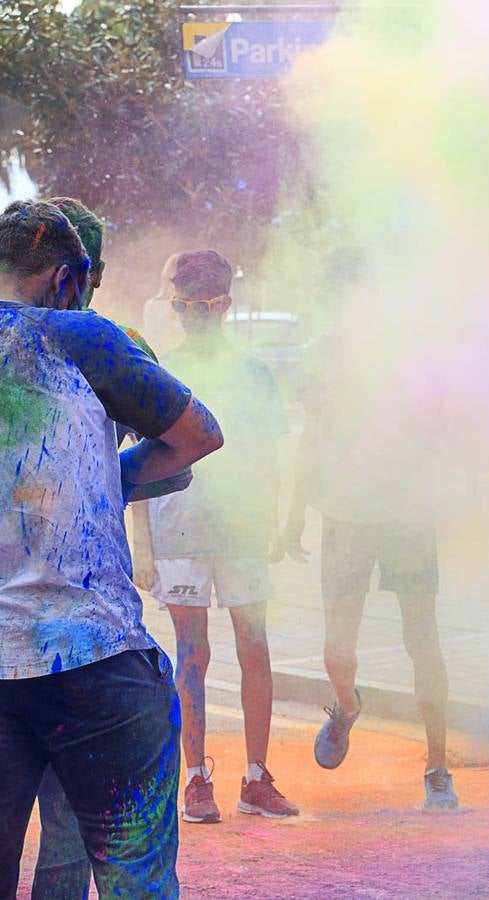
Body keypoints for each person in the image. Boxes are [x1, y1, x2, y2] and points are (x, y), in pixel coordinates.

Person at [0, 200, 223, 898]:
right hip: (91, 658)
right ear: (67, 279)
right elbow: (197, 436)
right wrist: (109, 482)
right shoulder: (84, 337)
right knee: (135, 882)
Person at [28, 196, 178, 899]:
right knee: (79, 832)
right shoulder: (112, 342)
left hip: (37, 629)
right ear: (90, 271)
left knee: (61, 831)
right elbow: (180, 453)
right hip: (85, 632)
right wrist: (106, 485)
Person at [274, 326, 458, 811]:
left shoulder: (415, 368)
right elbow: (311, 443)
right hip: (346, 516)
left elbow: (443, 443)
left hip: (407, 518)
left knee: (423, 641)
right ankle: (348, 707)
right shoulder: (330, 357)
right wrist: (294, 518)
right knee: (337, 650)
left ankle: (437, 769)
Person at [145, 250, 299, 824]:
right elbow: (138, 456)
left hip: (241, 527)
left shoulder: (255, 374)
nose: (193, 319)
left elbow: (268, 455)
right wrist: (142, 544)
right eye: (184, 308)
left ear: (225, 307)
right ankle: (195, 780)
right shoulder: (161, 369)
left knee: (253, 645)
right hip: (178, 524)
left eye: (203, 308)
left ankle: (255, 778)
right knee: (193, 653)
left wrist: (279, 520)